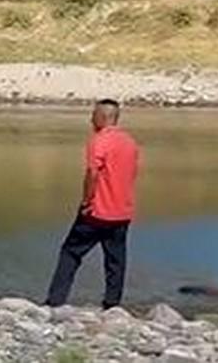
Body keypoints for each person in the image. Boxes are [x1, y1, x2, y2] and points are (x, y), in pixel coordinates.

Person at [45, 98, 140, 309]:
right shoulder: (130, 142)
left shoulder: (99, 140)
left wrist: (86, 201)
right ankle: (112, 303)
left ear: (103, 117)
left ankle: (55, 301)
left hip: (98, 211)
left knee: (70, 252)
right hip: (122, 211)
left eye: (93, 115)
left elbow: (92, 173)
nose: (91, 119)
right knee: (116, 260)